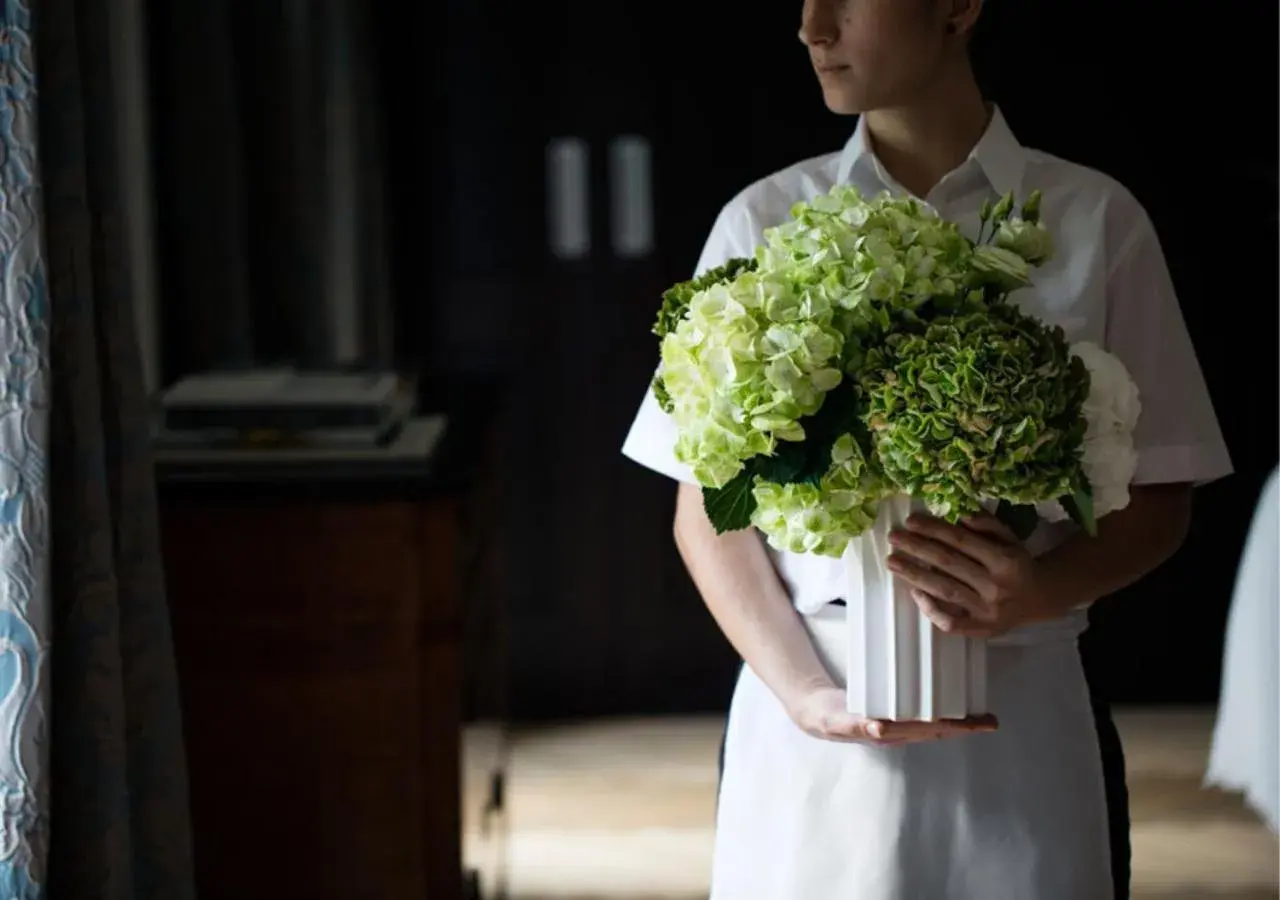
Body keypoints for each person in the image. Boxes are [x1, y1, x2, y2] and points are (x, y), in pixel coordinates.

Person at [620, 0, 1234, 897]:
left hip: (1023, 716)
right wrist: (802, 695)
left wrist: (1037, 590)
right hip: (814, 725)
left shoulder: (1096, 218)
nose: (812, 27)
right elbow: (706, 513)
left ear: (957, 5)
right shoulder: (766, 218)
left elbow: (1165, 493)